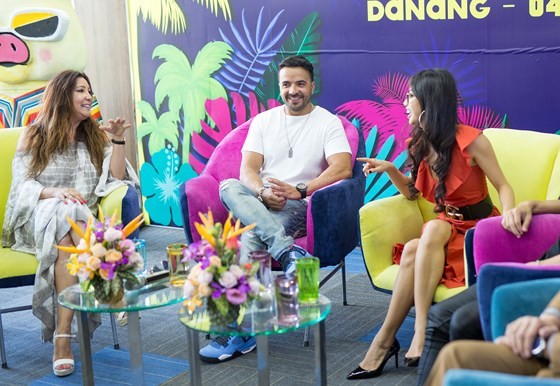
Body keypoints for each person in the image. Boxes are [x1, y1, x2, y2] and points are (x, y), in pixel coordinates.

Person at [347, 68, 515, 380]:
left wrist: (507, 218)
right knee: (420, 243)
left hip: (476, 234)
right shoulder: (420, 143)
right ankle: (389, 340)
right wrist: (389, 169)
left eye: (410, 96)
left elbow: (503, 186)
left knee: (429, 233)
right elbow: (413, 193)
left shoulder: (473, 142)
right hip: (444, 231)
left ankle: (415, 333)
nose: (405, 102)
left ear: (429, 103)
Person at [200, 55, 353, 363]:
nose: (293, 90)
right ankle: (289, 253)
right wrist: (262, 192)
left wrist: (300, 189)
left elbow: (343, 169)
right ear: (279, 86)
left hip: (300, 204)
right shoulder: (264, 121)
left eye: (299, 83)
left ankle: (240, 333)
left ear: (312, 85)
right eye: (286, 84)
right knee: (228, 186)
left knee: (251, 238)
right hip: (263, 199)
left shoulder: (328, 122)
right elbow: (248, 171)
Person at [1, 70, 139, 377]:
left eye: (89, 91)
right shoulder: (33, 135)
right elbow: (21, 187)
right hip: (35, 219)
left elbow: (116, 178)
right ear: (63, 95)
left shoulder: (93, 136)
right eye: (81, 91)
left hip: (75, 227)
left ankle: (62, 338)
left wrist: (117, 139)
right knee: (65, 208)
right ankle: (108, 279)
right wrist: (53, 192)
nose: (89, 96)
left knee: (68, 224)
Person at [416, 199, 560, 386]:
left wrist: (544, 342)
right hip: (537, 272)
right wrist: (530, 205)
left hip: (546, 278)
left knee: (459, 321)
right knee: (440, 319)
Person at [425, 289, 560, 385]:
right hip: (548, 354)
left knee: (450, 319)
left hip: (552, 351)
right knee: (454, 354)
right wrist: (550, 318)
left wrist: (544, 343)